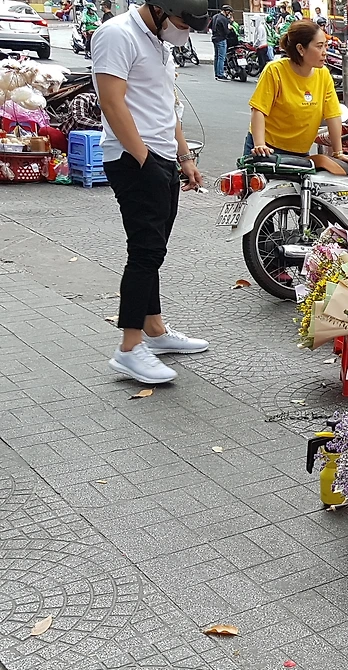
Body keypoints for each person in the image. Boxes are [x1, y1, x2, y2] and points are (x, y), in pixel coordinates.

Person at [93, 0, 210, 384]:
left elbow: (167, 105)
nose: (185, 31)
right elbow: (111, 102)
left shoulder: (160, 42)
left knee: (154, 248)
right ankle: (129, 348)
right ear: (159, 8)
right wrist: (143, 158)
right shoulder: (117, 34)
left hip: (161, 158)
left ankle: (155, 330)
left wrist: (184, 157)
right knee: (144, 252)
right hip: (133, 159)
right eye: (182, 23)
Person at [245, 19, 348, 171]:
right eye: (319, 46)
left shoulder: (323, 75)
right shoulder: (275, 70)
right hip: (268, 150)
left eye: (326, 45)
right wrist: (260, 145)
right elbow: (259, 110)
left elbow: (333, 115)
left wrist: (338, 153)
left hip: (300, 153)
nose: (325, 52)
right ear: (300, 49)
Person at [210, 4, 230, 80]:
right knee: (221, 57)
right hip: (221, 39)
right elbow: (226, 31)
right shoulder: (224, 19)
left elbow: (210, 26)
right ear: (226, 11)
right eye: (229, 12)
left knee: (216, 56)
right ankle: (220, 74)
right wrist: (229, 28)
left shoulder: (215, 16)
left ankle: (216, 73)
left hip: (215, 38)